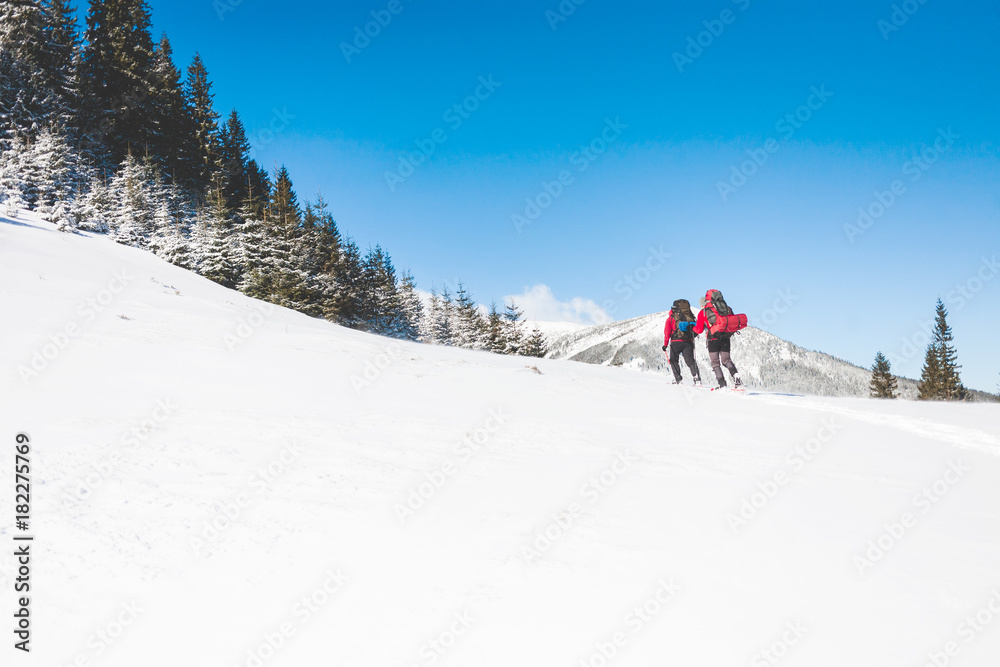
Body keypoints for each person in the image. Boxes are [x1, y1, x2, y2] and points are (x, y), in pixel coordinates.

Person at [692, 291, 744, 390]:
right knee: (726, 360)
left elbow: (698, 330)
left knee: (715, 363)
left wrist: (692, 328)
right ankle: (736, 376)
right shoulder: (727, 308)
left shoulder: (703, 312)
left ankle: (722, 384)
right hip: (725, 337)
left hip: (713, 340)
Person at [662, 299, 702, 386]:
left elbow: (667, 333)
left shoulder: (671, 319)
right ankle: (697, 379)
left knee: (673, 360)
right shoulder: (689, 316)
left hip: (675, 342)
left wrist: (665, 345)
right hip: (688, 341)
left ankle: (678, 379)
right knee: (690, 361)